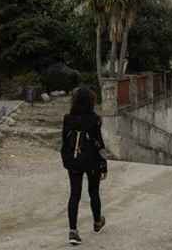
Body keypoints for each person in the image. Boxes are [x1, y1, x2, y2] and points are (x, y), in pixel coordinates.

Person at [60, 86, 108, 245]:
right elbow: (99, 144)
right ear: (90, 102)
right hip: (91, 161)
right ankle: (97, 222)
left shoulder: (67, 118)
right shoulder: (94, 119)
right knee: (94, 191)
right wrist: (103, 164)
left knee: (75, 194)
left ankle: (73, 231)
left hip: (73, 161)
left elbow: (64, 141)